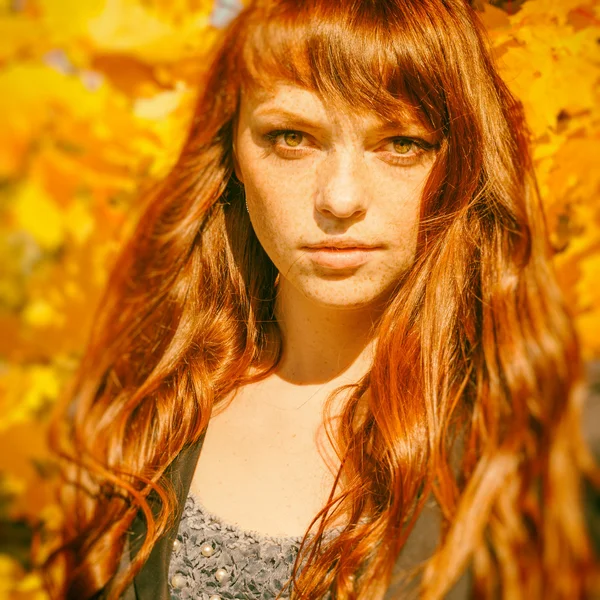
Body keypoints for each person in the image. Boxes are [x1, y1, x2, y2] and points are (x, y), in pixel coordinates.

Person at [38, 0, 600, 598]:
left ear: (463, 160)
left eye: (401, 143)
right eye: (292, 137)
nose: (339, 198)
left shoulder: (549, 431)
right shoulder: (146, 406)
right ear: (232, 156)